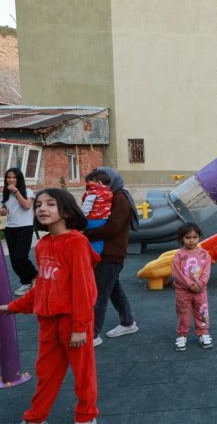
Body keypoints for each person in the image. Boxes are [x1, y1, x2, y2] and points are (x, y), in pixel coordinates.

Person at [0, 188, 100, 424]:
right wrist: (12, 307)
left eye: (51, 204)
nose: (42, 208)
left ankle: (86, 417)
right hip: (48, 323)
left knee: (83, 374)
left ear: (66, 211)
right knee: (46, 373)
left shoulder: (76, 243)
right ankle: (36, 417)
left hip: (73, 322)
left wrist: (79, 326)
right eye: (39, 205)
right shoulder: (44, 244)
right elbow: (42, 287)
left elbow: (84, 289)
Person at [83, 167, 140, 347]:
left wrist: (84, 234)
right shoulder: (103, 198)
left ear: (111, 181)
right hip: (104, 252)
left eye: (102, 181)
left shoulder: (119, 199)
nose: (97, 184)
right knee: (114, 289)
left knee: (99, 294)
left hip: (110, 253)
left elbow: (112, 228)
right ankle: (128, 323)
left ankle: (93, 334)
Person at [172, 222, 213, 351]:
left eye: (194, 237)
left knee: (202, 312)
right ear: (181, 238)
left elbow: (206, 271)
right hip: (183, 291)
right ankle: (182, 334)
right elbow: (176, 273)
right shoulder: (179, 255)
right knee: (183, 312)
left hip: (200, 291)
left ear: (199, 237)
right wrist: (190, 285)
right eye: (188, 237)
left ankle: (203, 333)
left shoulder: (204, 255)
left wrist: (200, 284)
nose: (191, 240)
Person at [1, 168, 38, 296]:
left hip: (25, 227)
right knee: (14, 260)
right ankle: (26, 282)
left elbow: (27, 206)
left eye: (14, 177)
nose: (11, 180)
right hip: (10, 228)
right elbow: (5, 209)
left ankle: (36, 276)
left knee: (20, 257)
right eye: (8, 177)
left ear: (19, 179)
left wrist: (16, 191)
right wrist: (3, 210)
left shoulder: (28, 191)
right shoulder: (5, 194)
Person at [81, 170, 113, 254]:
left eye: (89, 183)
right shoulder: (109, 193)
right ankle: (96, 254)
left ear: (98, 183)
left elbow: (86, 207)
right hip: (103, 220)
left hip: (92, 219)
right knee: (99, 241)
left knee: (86, 237)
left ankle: (88, 255)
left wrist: (80, 217)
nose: (87, 185)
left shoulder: (92, 193)